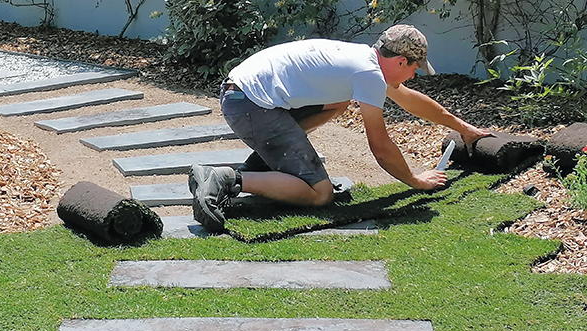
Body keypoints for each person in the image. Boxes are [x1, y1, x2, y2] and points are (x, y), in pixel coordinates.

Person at [188, 24, 492, 232]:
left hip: (244, 93)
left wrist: (462, 127)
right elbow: (381, 148)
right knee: (320, 193)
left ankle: (268, 163)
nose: (414, 74)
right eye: (414, 67)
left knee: (338, 102)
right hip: (252, 105)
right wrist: (416, 181)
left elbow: (412, 102)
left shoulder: (362, 59)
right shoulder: (369, 74)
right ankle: (225, 178)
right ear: (400, 61)